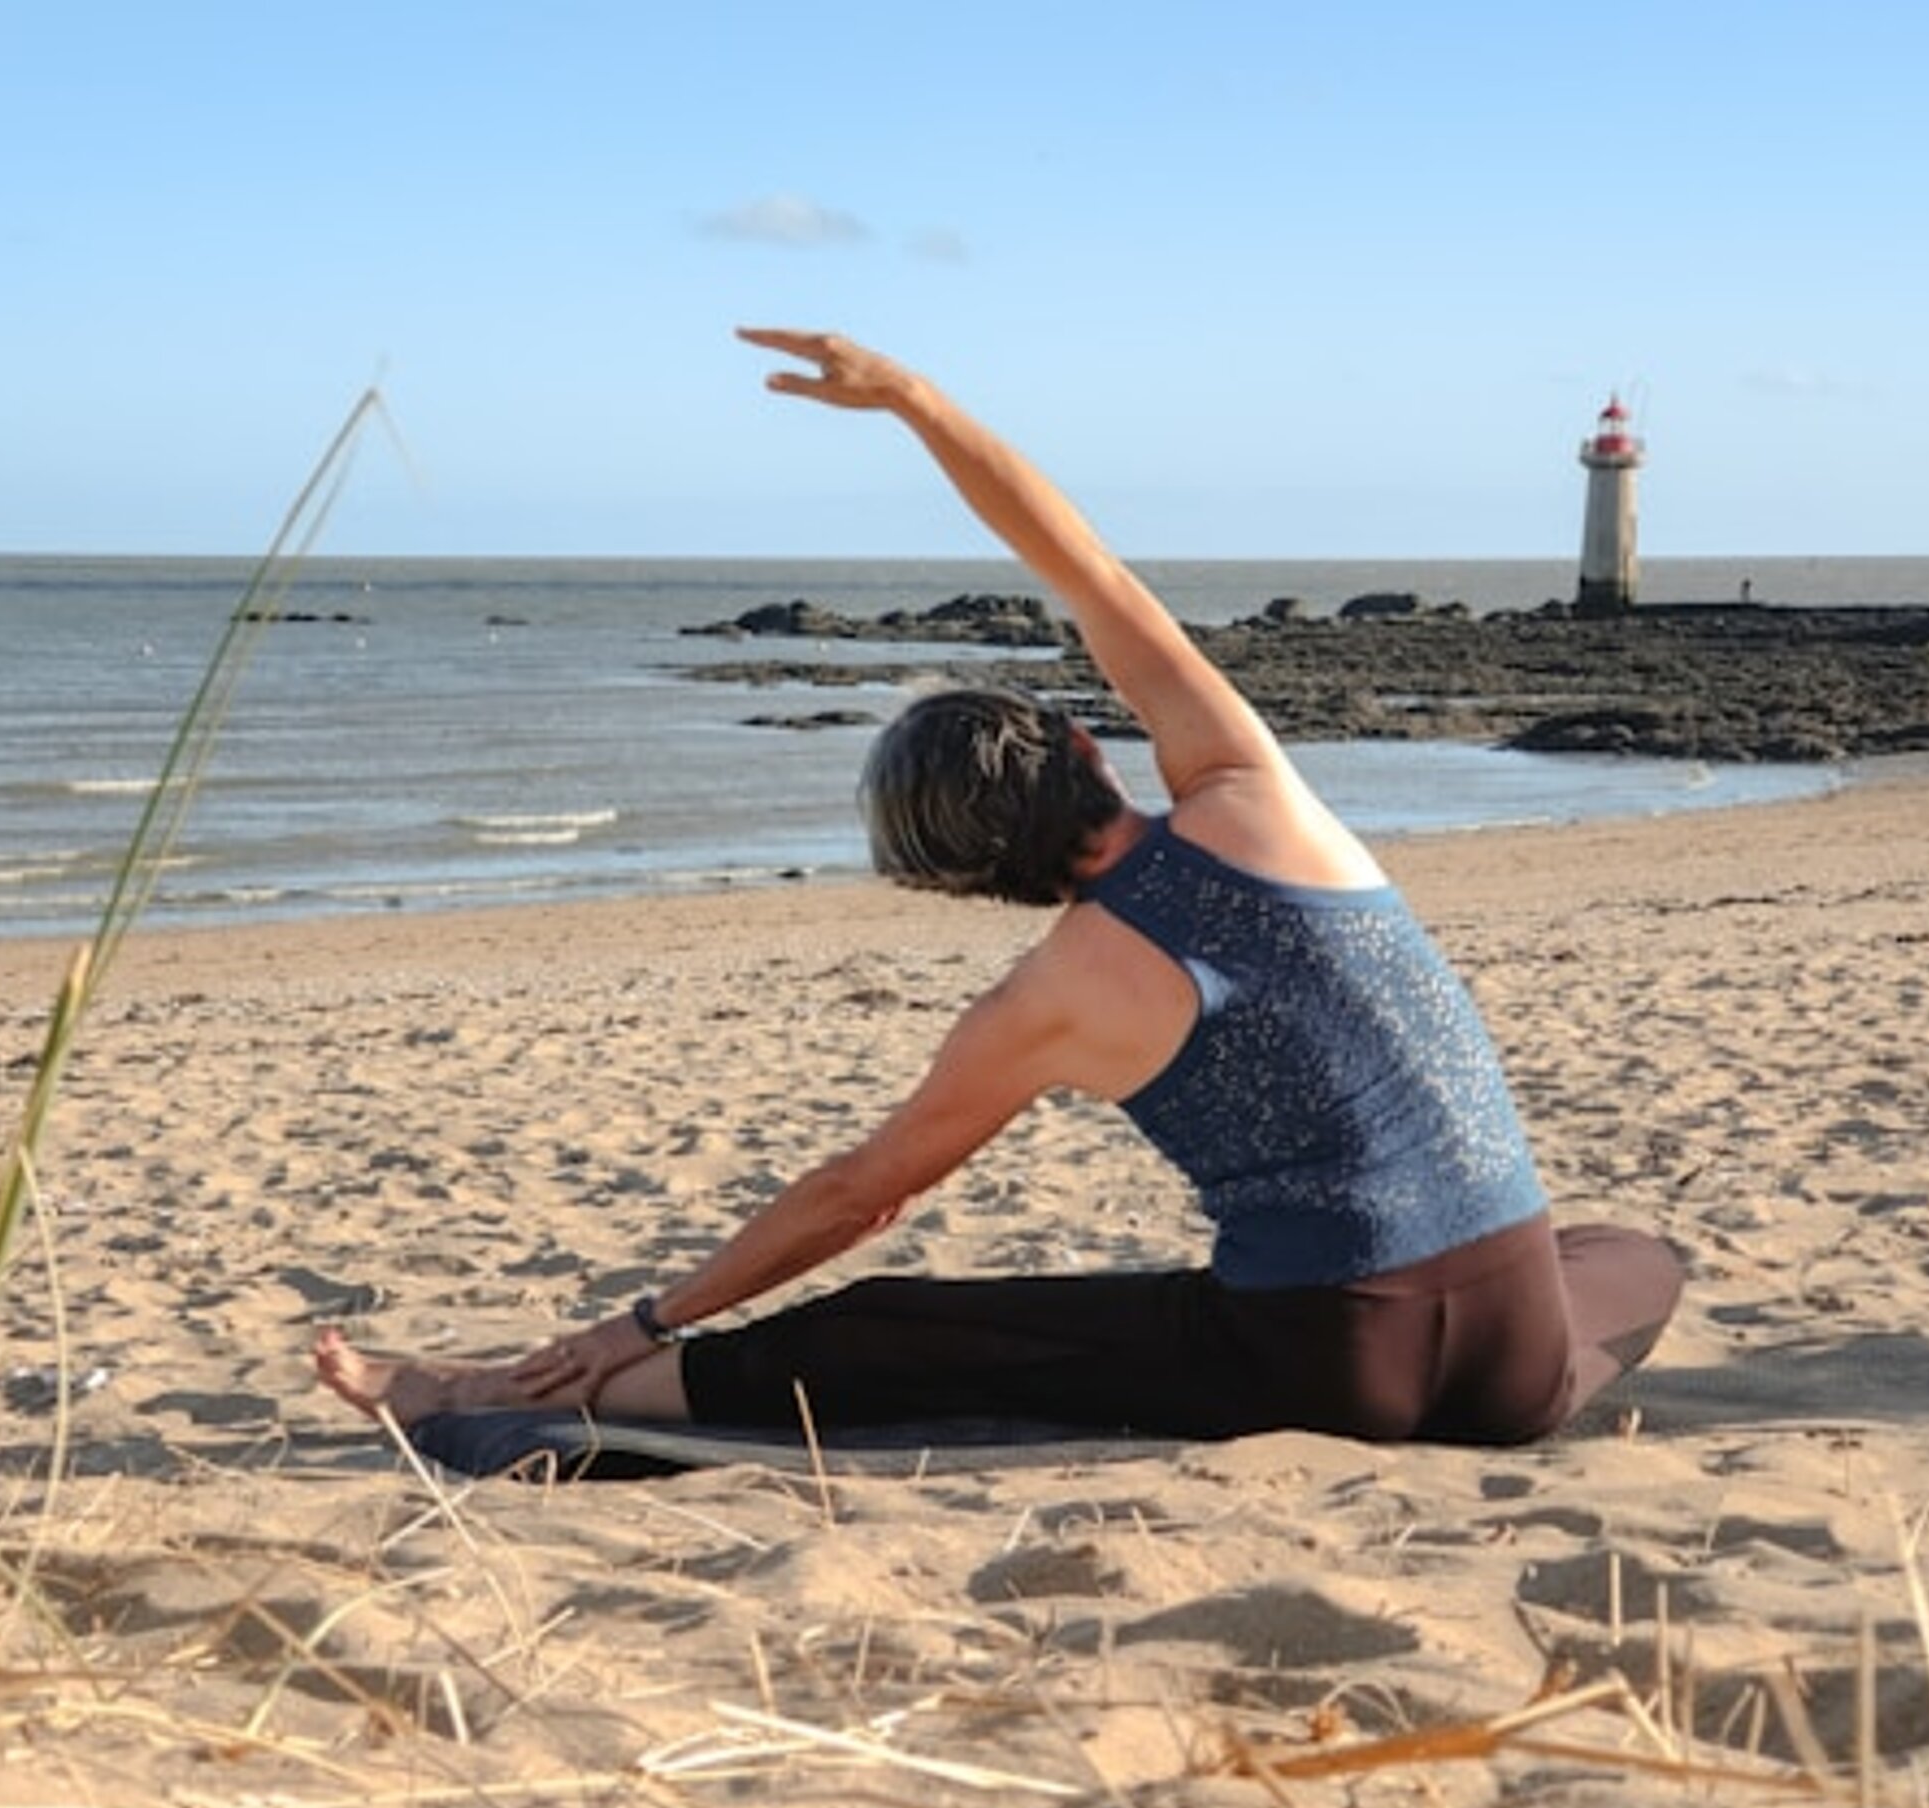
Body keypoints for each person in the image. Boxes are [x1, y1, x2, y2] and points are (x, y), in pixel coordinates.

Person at [314, 327, 1685, 1447]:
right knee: (1629, 1255)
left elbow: (858, 1198)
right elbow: (1077, 565)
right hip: (1513, 1359)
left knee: (887, 1330)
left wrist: (649, 1319)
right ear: (1087, 746)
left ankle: (513, 1397)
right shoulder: (1260, 801)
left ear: (965, 881)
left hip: (1325, 1366)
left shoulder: (1051, 996)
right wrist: (911, 396)